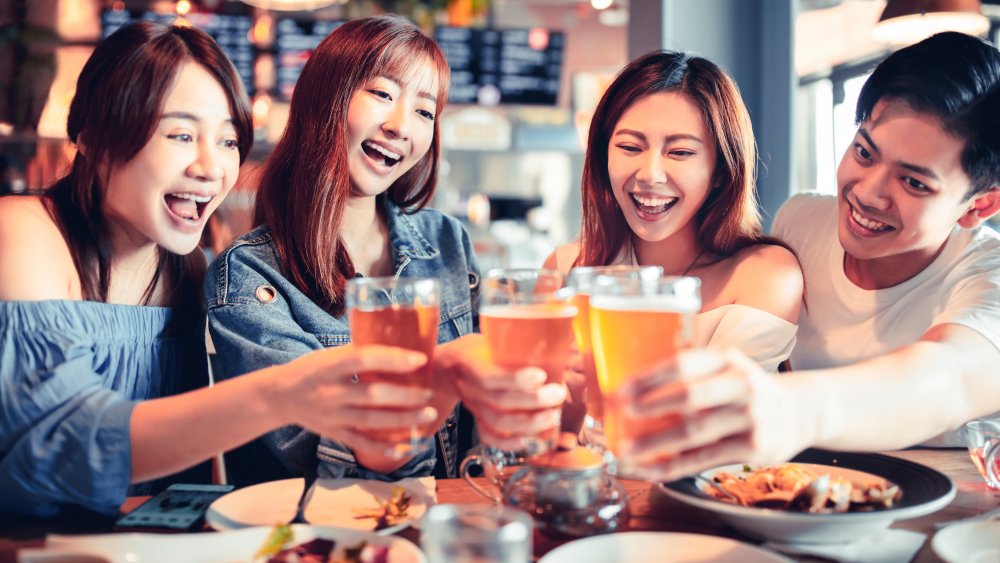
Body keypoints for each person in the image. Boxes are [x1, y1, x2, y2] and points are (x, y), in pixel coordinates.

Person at [0, 21, 444, 518]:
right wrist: (280, 393)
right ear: (92, 138)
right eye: (182, 134)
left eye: (229, 141)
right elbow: (61, 448)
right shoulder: (22, 233)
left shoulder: (183, 267)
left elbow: (187, 466)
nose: (212, 168)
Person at [619, 31, 1000, 481]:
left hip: (959, 509)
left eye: (914, 183)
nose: (868, 193)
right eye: (864, 152)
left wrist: (789, 407)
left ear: (979, 206)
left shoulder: (986, 273)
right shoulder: (802, 221)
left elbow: (949, 377)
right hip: (804, 498)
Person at [206, 16, 565, 486]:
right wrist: (436, 381)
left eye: (424, 111)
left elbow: (482, 438)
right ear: (326, 98)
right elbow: (316, 454)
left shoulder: (446, 241)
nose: (401, 126)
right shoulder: (250, 275)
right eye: (383, 94)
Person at [544, 50, 803, 371]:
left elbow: (716, 412)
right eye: (630, 147)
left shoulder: (765, 273)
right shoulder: (566, 267)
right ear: (602, 156)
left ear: (721, 169)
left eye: (680, 152)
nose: (650, 174)